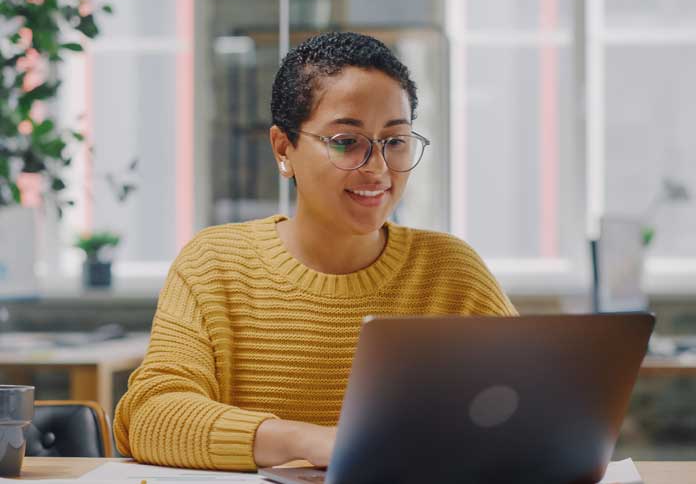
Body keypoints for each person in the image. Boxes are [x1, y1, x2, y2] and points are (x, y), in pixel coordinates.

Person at [113, 31, 517, 472]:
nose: (378, 169)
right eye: (347, 141)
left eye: (395, 141)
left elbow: (536, 408)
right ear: (284, 149)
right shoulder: (215, 265)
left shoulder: (451, 270)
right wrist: (311, 441)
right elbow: (151, 416)